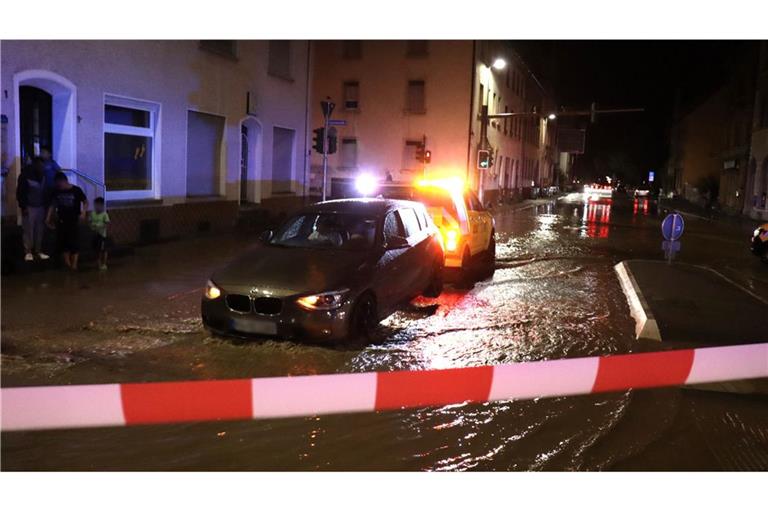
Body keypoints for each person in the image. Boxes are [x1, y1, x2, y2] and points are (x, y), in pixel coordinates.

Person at [46, 171, 88, 271]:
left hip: (73, 220)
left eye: (59, 183)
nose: (59, 186)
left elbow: (85, 201)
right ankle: (68, 263)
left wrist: (83, 212)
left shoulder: (76, 190)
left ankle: (74, 264)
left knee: (74, 242)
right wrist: (48, 217)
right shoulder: (57, 191)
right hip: (61, 219)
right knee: (63, 242)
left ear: (64, 181)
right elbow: (53, 204)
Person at [16, 158, 50, 261]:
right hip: (29, 207)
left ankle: (38, 251)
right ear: (35, 165)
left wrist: (46, 206)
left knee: (39, 230)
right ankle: (28, 252)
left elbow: (45, 192)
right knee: (28, 230)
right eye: (41, 165)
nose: (43, 167)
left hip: (41, 206)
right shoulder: (25, 176)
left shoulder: (43, 176)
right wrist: (24, 206)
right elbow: (20, 192)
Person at [89, 197, 111, 270]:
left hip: (102, 235)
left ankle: (104, 263)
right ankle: (98, 264)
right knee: (97, 250)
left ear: (102, 205)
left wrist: (100, 226)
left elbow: (107, 224)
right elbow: (89, 222)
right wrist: (92, 225)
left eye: (98, 205)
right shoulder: (92, 213)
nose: (96, 206)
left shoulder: (104, 214)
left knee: (103, 250)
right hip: (95, 235)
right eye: (95, 205)